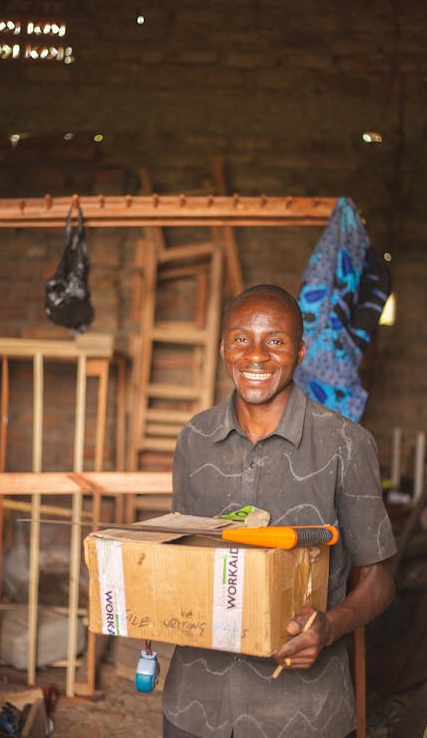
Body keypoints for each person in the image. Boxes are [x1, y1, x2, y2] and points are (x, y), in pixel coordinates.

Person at [162, 284, 396, 738]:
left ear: (301, 351)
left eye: (275, 340)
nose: (255, 355)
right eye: (240, 338)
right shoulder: (195, 437)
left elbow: (380, 579)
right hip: (194, 706)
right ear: (223, 347)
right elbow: (185, 554)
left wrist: (329, 627)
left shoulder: (345, 444)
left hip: (299, 714)